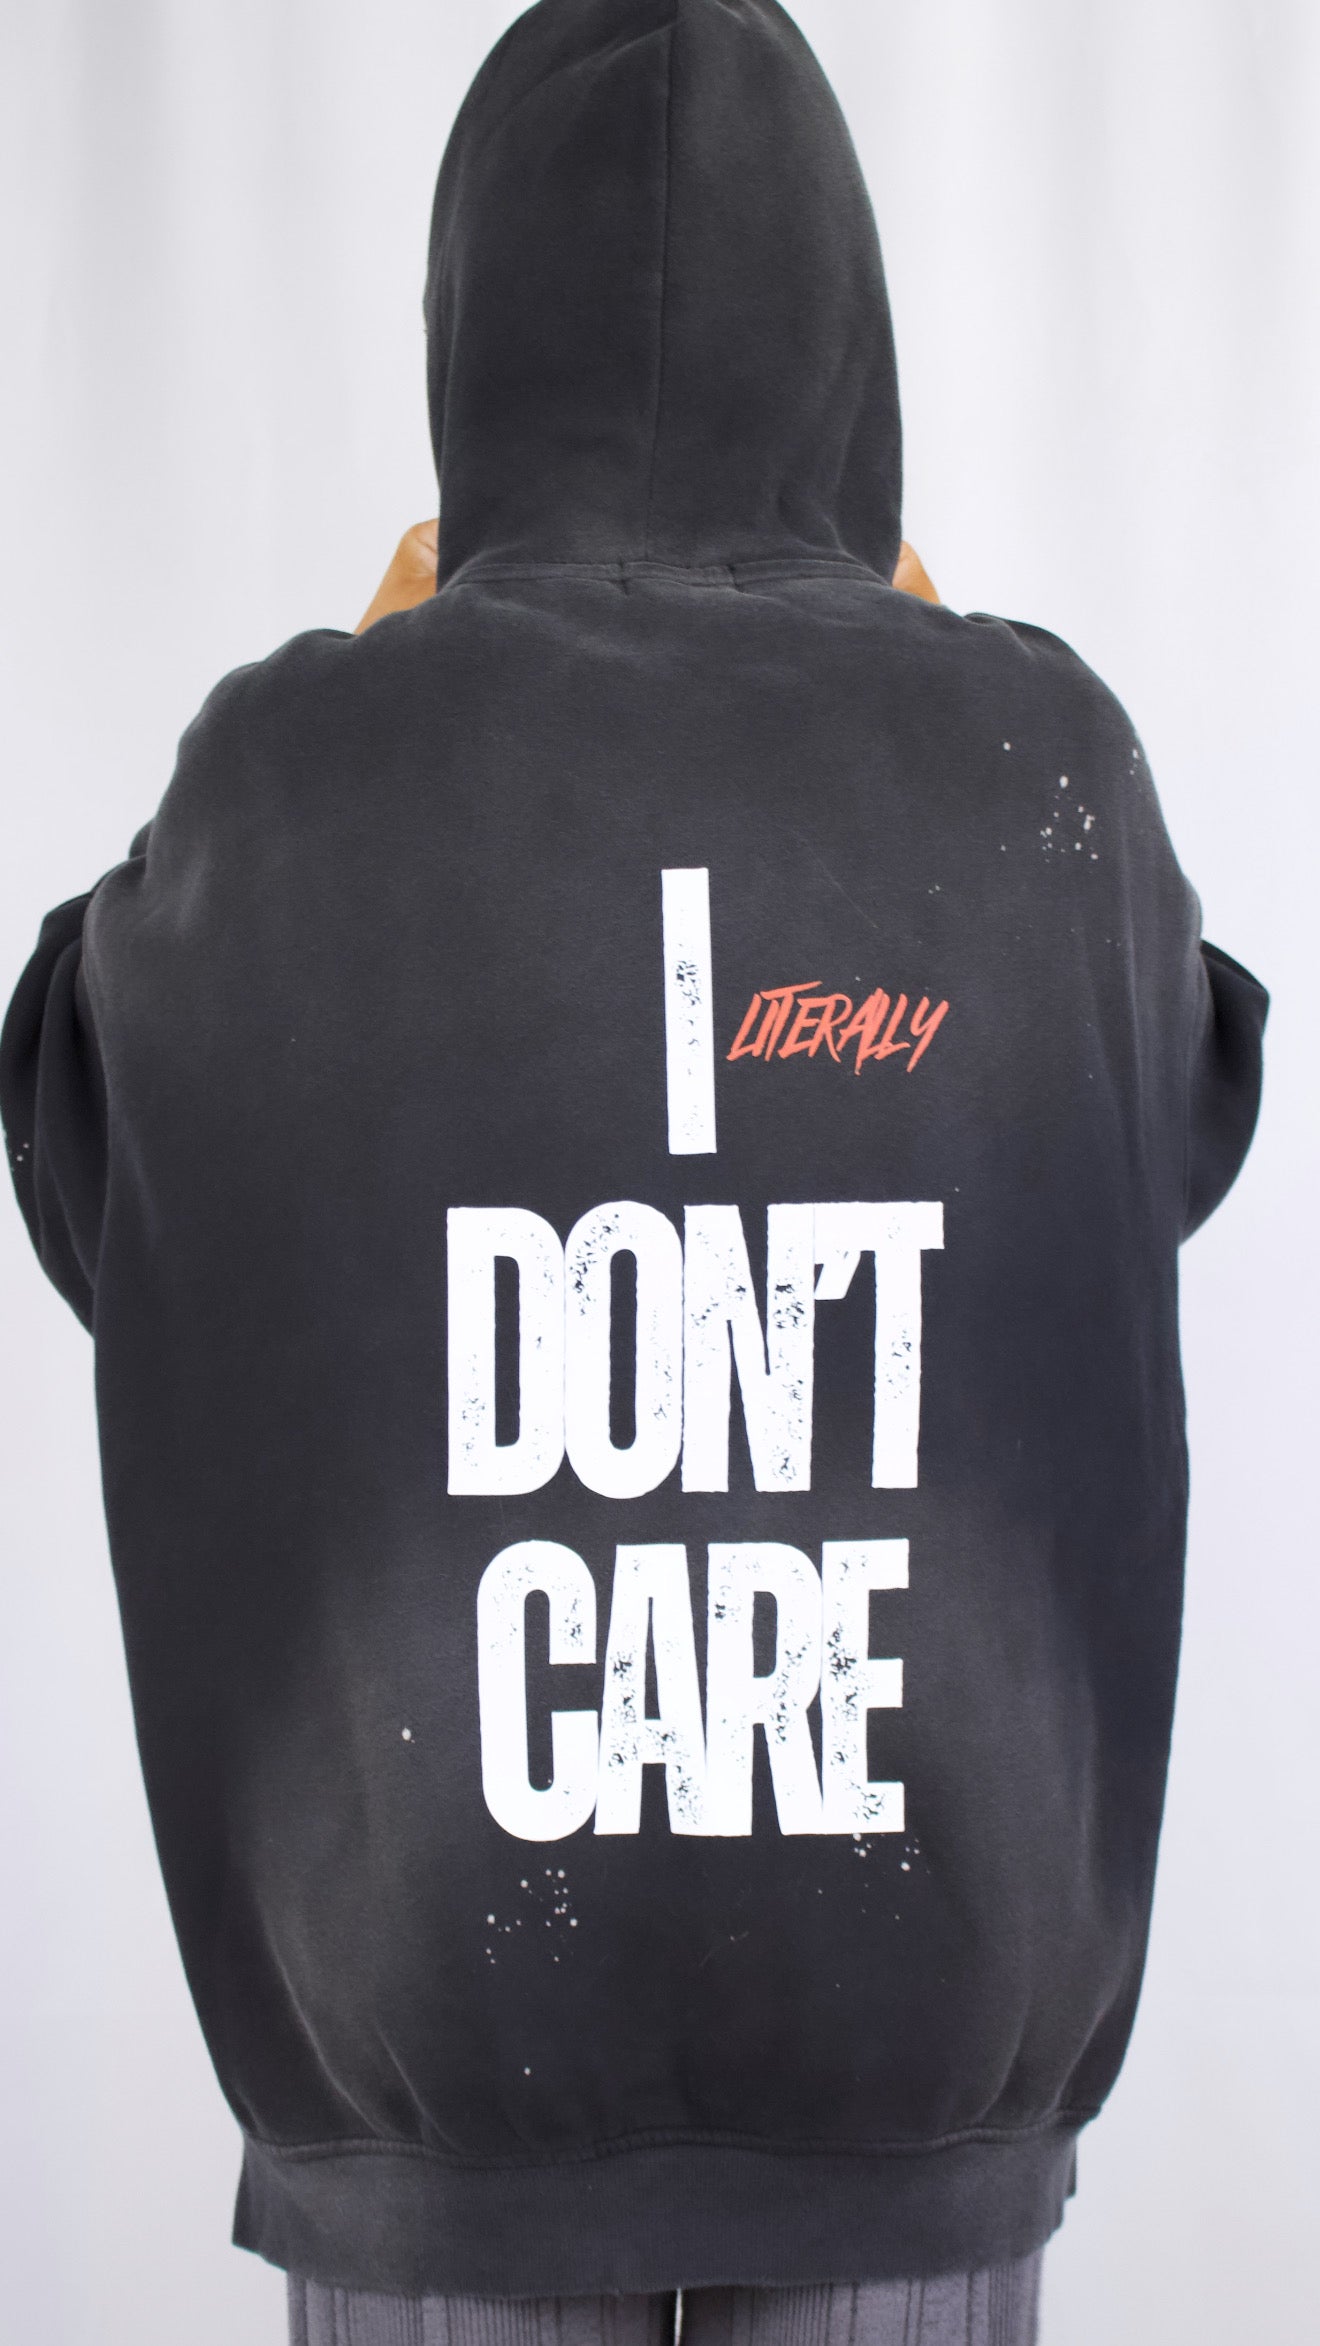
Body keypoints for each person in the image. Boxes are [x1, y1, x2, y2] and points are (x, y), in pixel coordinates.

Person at [1, 4, 1267, 2345]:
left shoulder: (288, 770)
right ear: (849, 329)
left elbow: (95, 1149)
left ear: (470, 321)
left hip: (431, 2056)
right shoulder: (1044, 760)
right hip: (921, 2041)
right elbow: (1170, 1124)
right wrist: (909, 667)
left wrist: (395, 673)